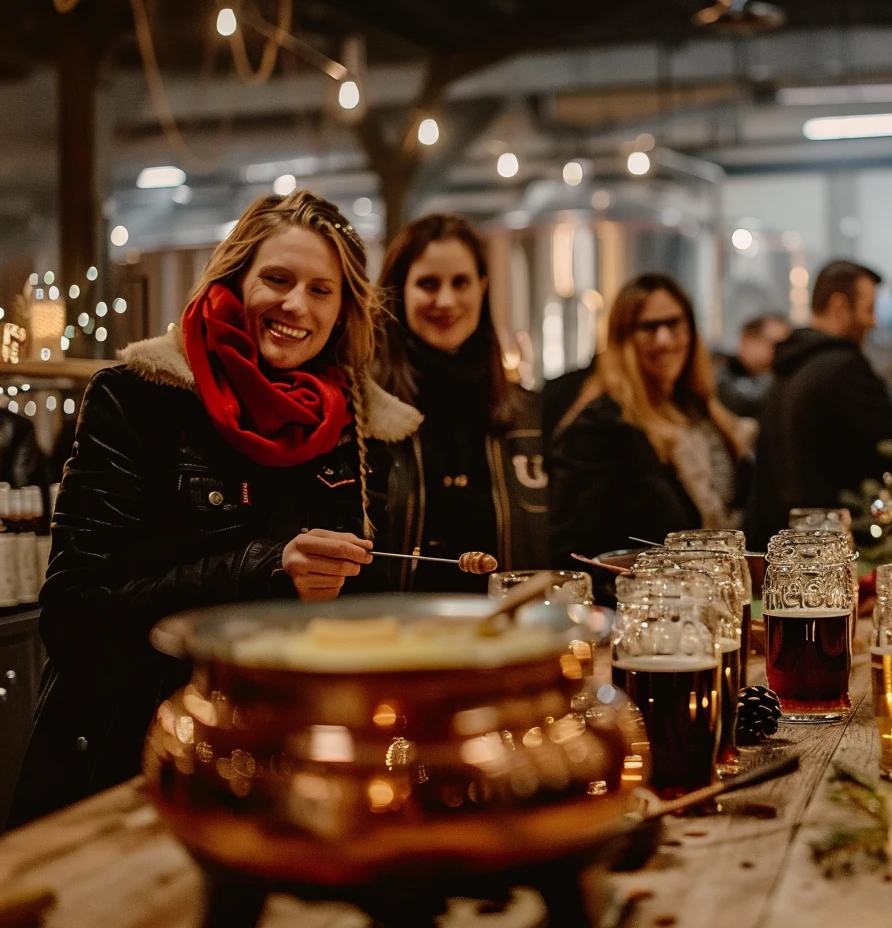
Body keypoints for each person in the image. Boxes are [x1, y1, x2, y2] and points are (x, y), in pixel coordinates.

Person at [8, 191, 422, 827]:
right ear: (235, 281)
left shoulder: (359, 431)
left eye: (321, 290)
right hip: (135, 768)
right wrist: (264, 568)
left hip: (289, 779)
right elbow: (73, 615)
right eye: (276, 280)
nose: (295, 306)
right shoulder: (138, 399)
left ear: (343, 313)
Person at [372, 213, 549, 593]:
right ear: (398, 291)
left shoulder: (530, 415)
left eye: (461, 282)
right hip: (396, 641)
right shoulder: (365, 413)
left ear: (483, 286)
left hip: (509, 640)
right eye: (428, 284)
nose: (446, 300)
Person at [549, 272, 754, 564]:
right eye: (649, 327)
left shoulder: (701, 411)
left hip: (721, 591)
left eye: (673, 323)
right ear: (623, 339)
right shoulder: (602, 425)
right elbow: (573, 552)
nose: (664, 339)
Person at [748, 260, 892, 550]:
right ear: (839, 305)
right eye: (869, 310)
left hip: (779, 547)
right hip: (826, 551)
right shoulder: (844, 368)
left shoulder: (787, 367)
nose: (874, 322)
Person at [715, 312, 792, 418]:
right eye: (777, 344)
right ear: (747, 340)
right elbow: (750, 403)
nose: (785, 351)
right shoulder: (722, 381)